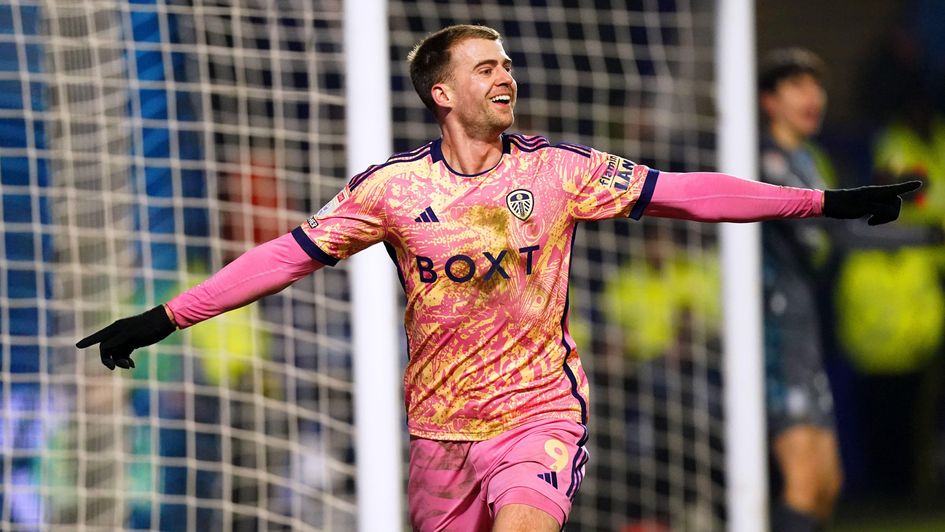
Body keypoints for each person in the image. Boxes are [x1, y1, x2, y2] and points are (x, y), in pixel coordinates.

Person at [77, 25, 919, 532]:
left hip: (537, 415)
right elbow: (284, 256)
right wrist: (162, 318)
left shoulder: (559, 170)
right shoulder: (392, 191)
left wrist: (821, 199)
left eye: (506, 62)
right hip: (440, 434)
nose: (505, 73)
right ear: (442, 92)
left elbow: (686, 194)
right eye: (485, 66)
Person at [757, 48, 843, 532]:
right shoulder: (764, 161)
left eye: (816, 86)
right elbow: (830, 235)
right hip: (776, 336)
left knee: (828, 485)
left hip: (805, 333)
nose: (813, 97)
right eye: (796, 86)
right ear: (770, 101)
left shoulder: (807, 160)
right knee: (804, 483)